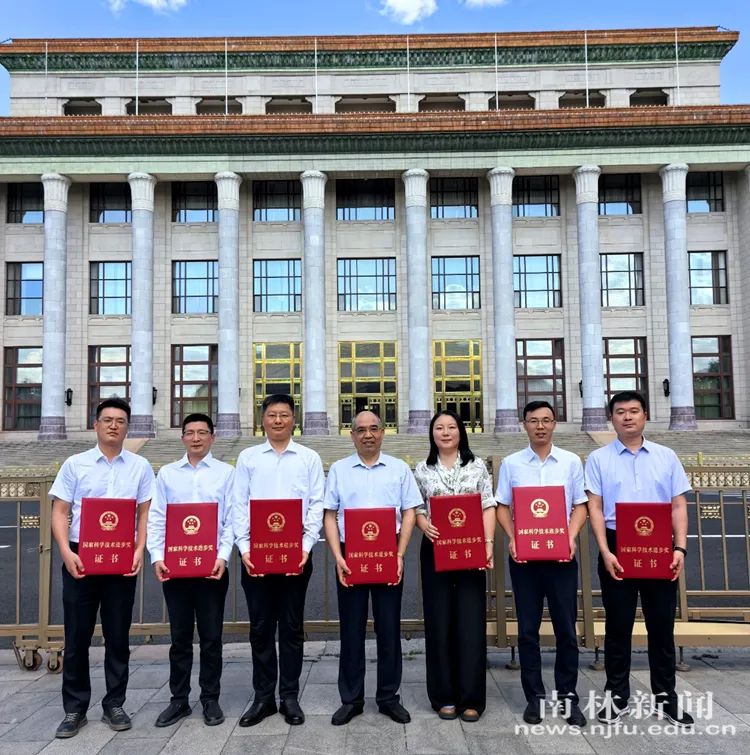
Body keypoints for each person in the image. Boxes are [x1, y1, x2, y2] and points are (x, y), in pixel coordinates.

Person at [585, 390, 693, 728]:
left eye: (634, 411)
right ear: (611, 418)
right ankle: (617, 698)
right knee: (618, 626)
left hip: (659, 547)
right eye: (620, 412)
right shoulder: (599, 459)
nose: (627, 417)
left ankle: (666, 698)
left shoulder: (666, 456)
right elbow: (595, 509)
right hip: (617, 546)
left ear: (645, 415)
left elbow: (678, 505)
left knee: (662, 625)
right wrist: (605, 551)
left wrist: (680, 548)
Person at [49, 398, 155, 738]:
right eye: (107, 420)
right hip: (81, 557)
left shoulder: (139, 466)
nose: (113, 425)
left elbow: (144, 514)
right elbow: (61, 512)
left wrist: (140, 550)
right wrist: (66, 552)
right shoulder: (75, 464)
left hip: (121, 559)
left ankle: (114, 703)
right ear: (96, 425)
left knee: (117, 635)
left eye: (120, 420)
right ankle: (75, 708)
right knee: (77, 636)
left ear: (127, 427)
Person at [323, 409, 422, 726]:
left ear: (383, 432)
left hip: (388, 551)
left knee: (389, 628)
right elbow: (330, 514)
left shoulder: (398, 469)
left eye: (374, 428)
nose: (367, 434)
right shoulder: (339, 469)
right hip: (350, 554)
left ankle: (388, 697)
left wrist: (399, 554)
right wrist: (338, 556)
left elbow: (409, 511)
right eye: (361, 429)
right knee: (350, 629)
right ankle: (351, 699)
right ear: (352, 435)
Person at [495, 400, 588, 728]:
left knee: (566, 629)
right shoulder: (511, 463)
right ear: (524, 425)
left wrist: (571, 536)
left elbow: (580, 506)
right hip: (525, 558)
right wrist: (513, 536)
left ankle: (568, 696)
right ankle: (534, 697)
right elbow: (502, 506)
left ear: (554, 424)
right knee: (528, 630)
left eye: (546, 420)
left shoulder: (571, 462)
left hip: (561, 556)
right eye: (533, 421)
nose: (540, 426)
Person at [232, 394, 324, 727]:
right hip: (255, 558)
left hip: (296, 558)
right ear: (263, 419)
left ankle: (289, 697)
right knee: (260, 628)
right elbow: (238, 505)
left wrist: (305, 547)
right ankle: (263, 698)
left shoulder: (308, 458)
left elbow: (316, 504)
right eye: (272, 415)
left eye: (284, 415)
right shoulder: (248, 458)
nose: (278, 420)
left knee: (291, 626)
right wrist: (244, 549)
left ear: (294, 419)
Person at [146, 413, 234, 728]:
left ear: (212, 437)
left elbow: (231, 520)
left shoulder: (226, 473)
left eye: (202, 432)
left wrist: (223, 557)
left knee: (211, 638)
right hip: (176, 569)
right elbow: (157, 517)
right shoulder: (168, 474)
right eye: (190, 433)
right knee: (180, 638)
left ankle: (210, 699)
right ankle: (179, 700)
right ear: (182, 437)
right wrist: (157, 557)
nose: (196, 438)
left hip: (212, 569)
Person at [413, 410, 496, 722]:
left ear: (461, 432)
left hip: (472, 550)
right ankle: (444, 696)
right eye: (439, 428)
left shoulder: (477, 467)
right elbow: (416, 506)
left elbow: (488, 505)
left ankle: (471, 697)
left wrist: (488, 545)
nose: (445, 433)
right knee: (439, 620)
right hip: (435, 549)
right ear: (432, 434)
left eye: (451, 427)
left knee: (470, 621)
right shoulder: (422, 469)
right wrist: (423, 524)